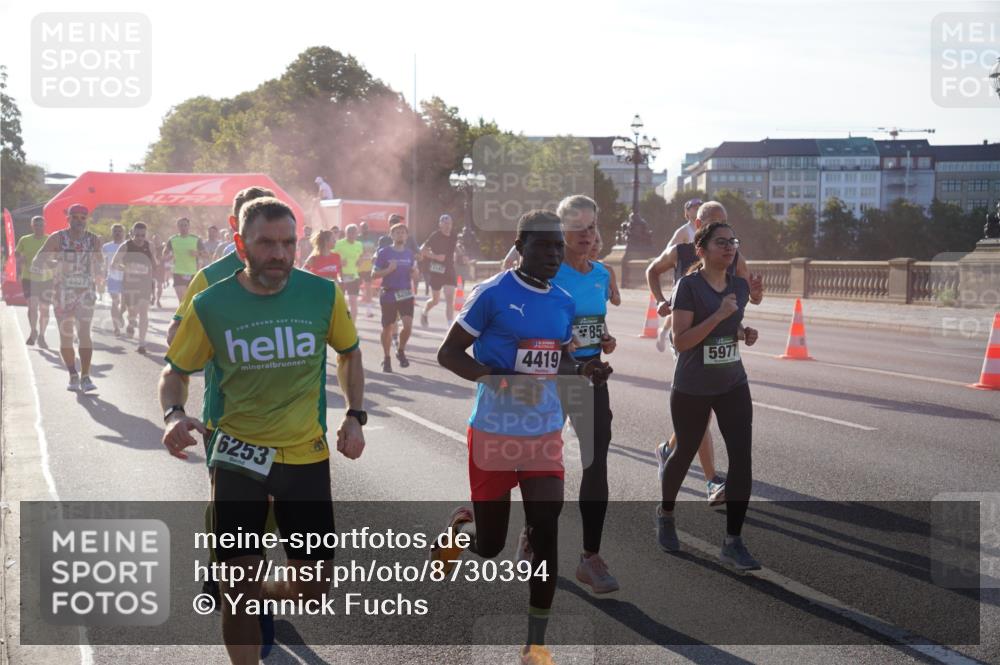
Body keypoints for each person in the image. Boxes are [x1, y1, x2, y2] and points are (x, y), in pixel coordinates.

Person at [160, 196, 366, 665]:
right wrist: (173, 414)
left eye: (288, 243)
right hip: (237, 455)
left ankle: (253, 591)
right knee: (237, 589)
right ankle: (240, 596)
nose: (279, 253)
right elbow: (175, 369)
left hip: (305, 456)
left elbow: (350, 351)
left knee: (312, 590)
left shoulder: (322, 293)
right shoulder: (211, 301)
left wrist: (355, 414)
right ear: (240, 243)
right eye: (267, 243)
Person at [432, 210, 611, 665]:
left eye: (557, 247)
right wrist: (497, 378)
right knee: (490, 545)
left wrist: (586, 367)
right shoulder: (491, 294)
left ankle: (535, 644)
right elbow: (449, 353)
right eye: (544, 246)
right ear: (521, 245)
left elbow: (559, 363)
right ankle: (458, 532)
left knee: (546, 531)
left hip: (543, 432)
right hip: (493, 433)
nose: (553, 254)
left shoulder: (564, 300)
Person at [165, 185, 275, 609]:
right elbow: (177, 337)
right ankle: (221, 568)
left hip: (285, 416)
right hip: (227, 412)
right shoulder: (210, 277)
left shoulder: (287, 271)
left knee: (267, 502)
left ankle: (243, 571)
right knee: (227, 498)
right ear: (237, 225)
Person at [655, 220, 761, 571]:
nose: (729, 247)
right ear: (701, 249)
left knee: (742, 459)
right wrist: (719, 315)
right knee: (684, 452)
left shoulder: (739, 288)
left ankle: (733, 541)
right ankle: (666, 514)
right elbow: (680, 341)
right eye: (721, 242)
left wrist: (744, 332)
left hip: (732, 382)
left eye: (733, 241)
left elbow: (731, 327)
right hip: (692, 386)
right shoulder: (689, 286)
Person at [646, 200, 763, 504]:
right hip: (687, 332)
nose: (725, 238)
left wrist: (754, 300)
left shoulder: (733, 254)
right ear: (698, 226)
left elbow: (749, 291)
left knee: (701, 417)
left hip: (721, 340)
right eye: (712, 222)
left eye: (725, 224)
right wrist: (660, 300)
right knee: (702, 414)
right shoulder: (681, 251)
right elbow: (652, 270)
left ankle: (669, 449)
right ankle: (711, 481)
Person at [543, 195, 620, 595]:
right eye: (578, 228)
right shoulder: (548, 271)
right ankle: (530, 536)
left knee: (595, 461)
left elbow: (595, 322)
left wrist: (602, 339)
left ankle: (590, 556)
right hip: (549, 376)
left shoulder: (601, 274)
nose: (587, 235)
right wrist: (561, 339)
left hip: (591, 376)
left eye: (592, 227)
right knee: (542, 463)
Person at [31, 203, 102, 392]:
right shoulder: (57, 238)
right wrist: (57, 264)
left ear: (86, 220)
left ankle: (86, 377)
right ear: (68, 219)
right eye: (75, 217)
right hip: (62, 293)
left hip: (86, 292)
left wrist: (100, 273)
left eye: (82, 218)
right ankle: (72, 374)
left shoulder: (94, 240)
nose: (79, 221)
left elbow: (100, 263)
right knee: (66, 336)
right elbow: (37, 261)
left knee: (84, 333)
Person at [372, 222, 419, 373]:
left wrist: (415, 274)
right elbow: (374, 275)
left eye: (403, 232)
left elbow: (414, 273)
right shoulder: (384, 252)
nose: (400, 235)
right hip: (389, 293)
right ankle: (386, 358)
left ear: (406, 236)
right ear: (391, 235)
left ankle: (401, 350)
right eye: (397, 232)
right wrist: (389, 269)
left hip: (405, 293)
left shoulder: (409, 254)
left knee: (408, 326)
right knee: (388, 327)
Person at [112, 222, 157, 354]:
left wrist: (152, 267)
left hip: (145, 284)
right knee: (133, 312)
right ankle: (131, 323)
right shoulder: (125, 246)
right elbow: (115, 264)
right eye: (137, 235)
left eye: (143, 235)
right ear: (131, 234)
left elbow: (154, 263)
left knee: (144, 312)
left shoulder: (150, 246)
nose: (140, 238)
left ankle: (141, 343)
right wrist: (126, 268)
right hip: (130, 285)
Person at [15, 216, 53, 348]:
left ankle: (42, 335)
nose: (39, 227)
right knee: (32, 306)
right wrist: (19, 264)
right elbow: (17, 255)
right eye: (36, 225)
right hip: (29, 278)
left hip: (46, 279)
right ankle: (33, 331)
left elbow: (59, 257)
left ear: (45, 226)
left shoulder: (50, 240)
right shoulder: (24, 239)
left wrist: (53, 264)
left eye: (41, 225)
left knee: (45, 310)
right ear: (32, 226)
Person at [419, 213, 459, 328]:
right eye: (445, 223)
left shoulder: (453, 236)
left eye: (449, 223)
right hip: (436, 270)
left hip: (449, 269)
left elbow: (455, 247)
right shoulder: (435, 236)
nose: (447, 226)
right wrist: (435, 257)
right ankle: (425, 311)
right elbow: (422, 250)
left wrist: (462, 255)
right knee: (435, 300)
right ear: (440, 225)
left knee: (450, 298)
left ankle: (450, 326)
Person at [162, 217, 206, 303]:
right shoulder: (173, 239)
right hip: (178, 272)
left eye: (185, 225)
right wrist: (167, 255)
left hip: (192, 273)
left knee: (190, 301)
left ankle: (188, 316)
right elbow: (165, 253)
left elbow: (206, 255)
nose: (183, 227)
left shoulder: (195, 239)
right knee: (182, 300)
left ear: (189, 226)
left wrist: (197, 254)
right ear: (177, 227)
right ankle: (182, 316)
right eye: (181, 225)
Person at [334, 224, 364, 321]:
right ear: (346, 233)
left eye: (354, 233)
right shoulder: (338, 243)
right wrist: (339, 262)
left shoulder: (359, 244)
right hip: (341, 275)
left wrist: (360, 261)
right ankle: (340, 322)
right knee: (340, 302)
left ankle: (352, 327)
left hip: (354, 276)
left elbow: (361, 256)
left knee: (353, 301)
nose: (351, 236)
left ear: (357, 234)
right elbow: (330, 256)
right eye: (349, 233)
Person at [102, 224, 127, 335]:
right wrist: (103, 277)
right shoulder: (106, 247)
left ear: (123, 233)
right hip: (112, 277)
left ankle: (121, 314)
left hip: (126, 278)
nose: (117, 233)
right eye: (115, 231)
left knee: (125, 304)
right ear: (112, 233)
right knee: (115, 301)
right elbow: (104, 263)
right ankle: (115, 327)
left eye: (120, 231)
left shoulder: (128, 245)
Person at [589, 230, 620, 307]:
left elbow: (617, 302)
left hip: (597, 317)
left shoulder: (607, 270)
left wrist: (611, 293)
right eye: (591, 241)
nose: (594, 244)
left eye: (597, 241)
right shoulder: (575, 267)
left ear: (600, 245)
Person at [358, 222, 377, 318]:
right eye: (363, 228)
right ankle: (350, 309)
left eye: (366, 227)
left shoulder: (372, 239)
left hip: (368, 267)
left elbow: (375, 252)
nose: (365, 229)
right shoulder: (357, 239)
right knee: (354, 290)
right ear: (360, 228)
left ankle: (369, 311)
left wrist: (373, 258)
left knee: (368, 288)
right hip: (357, 268)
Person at [150, 233, 166, 308]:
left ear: (160, 240)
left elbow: (168, 256)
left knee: (159, 285)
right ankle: (153, 296)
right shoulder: (150, 247)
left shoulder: (163, 248)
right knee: (152, 285)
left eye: (158, 239)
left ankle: (158, 300)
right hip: (152, 269)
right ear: (152, 240)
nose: (156, 241)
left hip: (161, 269)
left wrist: (163, 259)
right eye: (155, 239)